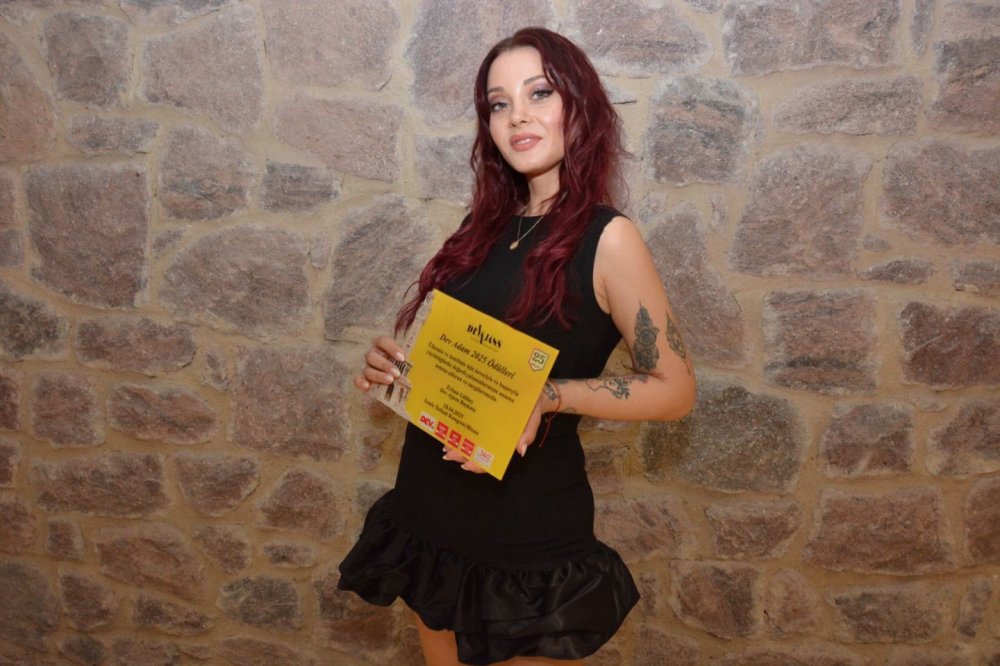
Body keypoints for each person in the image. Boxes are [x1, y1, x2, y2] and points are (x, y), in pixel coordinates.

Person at [339, 27, 696, 666]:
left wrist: (547, 394)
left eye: (539, 93)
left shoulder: (609, 239)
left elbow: (675, 391)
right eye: (498, 104)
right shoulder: (483, 228)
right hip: (428, 515)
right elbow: (463, 359)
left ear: (580, 107)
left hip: (521, 538)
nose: (517, 116)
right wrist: (393, 367)